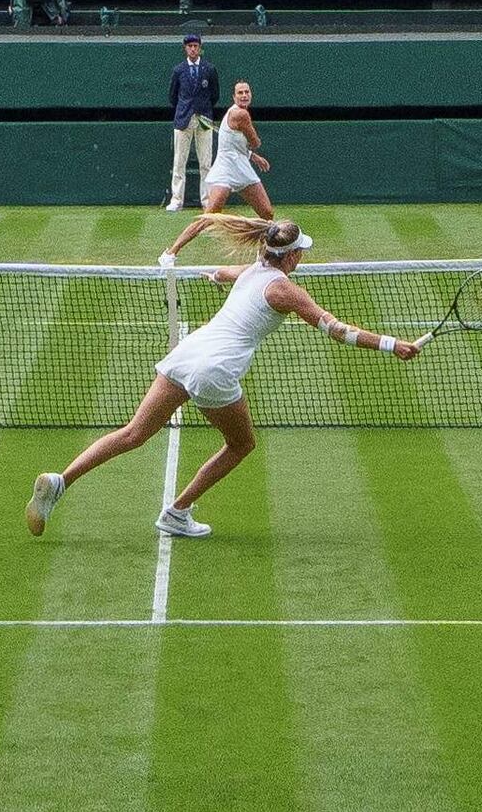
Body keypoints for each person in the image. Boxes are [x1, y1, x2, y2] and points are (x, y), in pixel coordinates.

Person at [28, 215, 413, 541]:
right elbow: (338, 331)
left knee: (133, 433)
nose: (302, 257)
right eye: (301, 252)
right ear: (291, 256)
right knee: (241, 443)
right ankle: (177, 512)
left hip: (187, 354)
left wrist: (213, 275)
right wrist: (391, 344)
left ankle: (61, 480)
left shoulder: (252, 272)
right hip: (216, 370)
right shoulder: (287, 291)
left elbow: (229, 273)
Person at [167, 82, 276, 247]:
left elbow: (232, 145)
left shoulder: (237, 114)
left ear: (251, 95)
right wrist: (254, 147)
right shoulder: (241, 115)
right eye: (240, 93)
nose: (244, 95)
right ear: (234, 97)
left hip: (242, 169)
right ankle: (170, 253)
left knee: (267, 214)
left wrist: (253, 156)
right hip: (225, 170)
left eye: (247, 92)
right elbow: (255, 142)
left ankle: (264, 254)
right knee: (208, 217)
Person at [162, 33, 223, 212]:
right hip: (183, 119)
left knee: (206, 162)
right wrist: (185, 110)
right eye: (190, 46)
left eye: (196, 46)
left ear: (200, 48)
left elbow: (215, 95)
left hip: (204, 118)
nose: (193, 49)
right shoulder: (178, 70)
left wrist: (203, 109)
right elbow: (172, 97)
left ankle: (206, 200)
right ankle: (176, 199)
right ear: (185, 49)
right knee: (179, 161)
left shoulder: (209, 69)